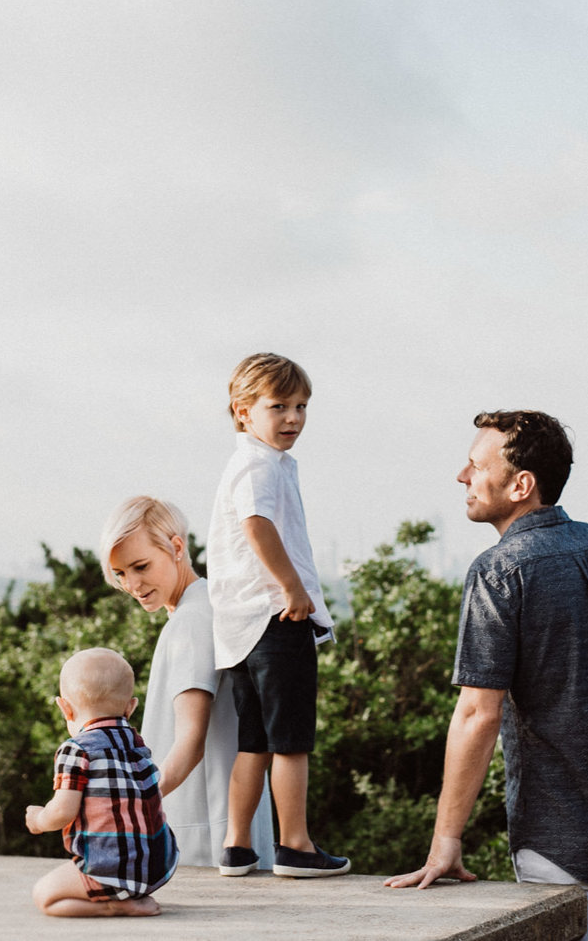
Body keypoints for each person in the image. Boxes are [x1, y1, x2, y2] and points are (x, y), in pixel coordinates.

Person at [385, 411, 588, 941]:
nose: (462, 475)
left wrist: (445, 841)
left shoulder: (499, 570)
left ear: (521, 485)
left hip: (557, 824)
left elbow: (477, 714)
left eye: (476, 465)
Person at [206, 352, 347, 878]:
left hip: (240, 627)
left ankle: (237, 846)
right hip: (275, 617)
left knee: (255, 740)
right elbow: (257, 524)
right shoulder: (258, 464)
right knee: (291, 741)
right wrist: (291, 586)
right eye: (279, 406)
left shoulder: (253, 463)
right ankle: (296, 846)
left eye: (302, 406)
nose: (293, 418)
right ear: (242, 411)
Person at [100, 494, 274, 873]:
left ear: (177, 547)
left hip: (203, 834)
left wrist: (133, 803)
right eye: (121, 574)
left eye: (141, 566)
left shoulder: (191, 621)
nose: (132, 584)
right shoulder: (209, 606)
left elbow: (190, 741)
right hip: (219, 826)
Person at [23, 648, 175, 917]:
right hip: (157, 868)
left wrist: (38, 819)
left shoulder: (76, 750)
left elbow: (62, 812)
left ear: (65, 708)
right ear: (131, 707)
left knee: (44, 896)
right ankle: (128, 895)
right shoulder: (138, 745)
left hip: (112, 871)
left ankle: (113, 905)